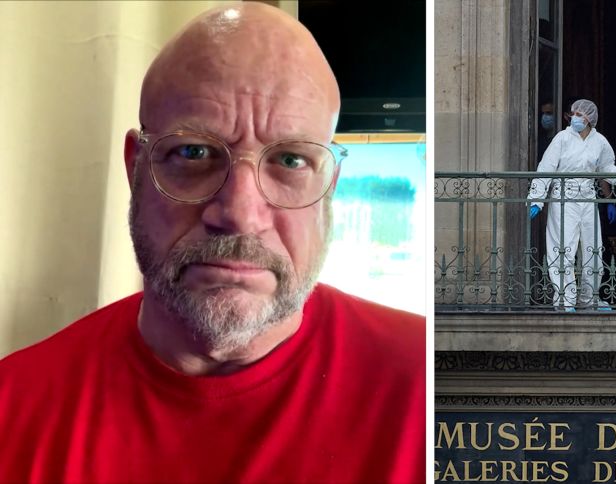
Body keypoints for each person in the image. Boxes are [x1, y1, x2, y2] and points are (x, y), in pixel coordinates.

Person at [0, 4, 424, 484]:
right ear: (136, 167)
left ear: (329, 185)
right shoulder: (12, 412)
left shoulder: (435, 395)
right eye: (194, 152)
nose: (240, 214)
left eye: (289, 160)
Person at [528, 99, 616, 311]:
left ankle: (589, 297)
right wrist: (537, 198)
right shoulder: (562, 138)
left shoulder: (599, 141)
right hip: (564, 198)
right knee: (563, 248)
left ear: (590, 118)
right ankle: (564, 298)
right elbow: (545, 168)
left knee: (593, 249)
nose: (574, 117)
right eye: (573, 113)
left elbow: (606, 170)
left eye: (579, 114)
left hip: (587, 198)